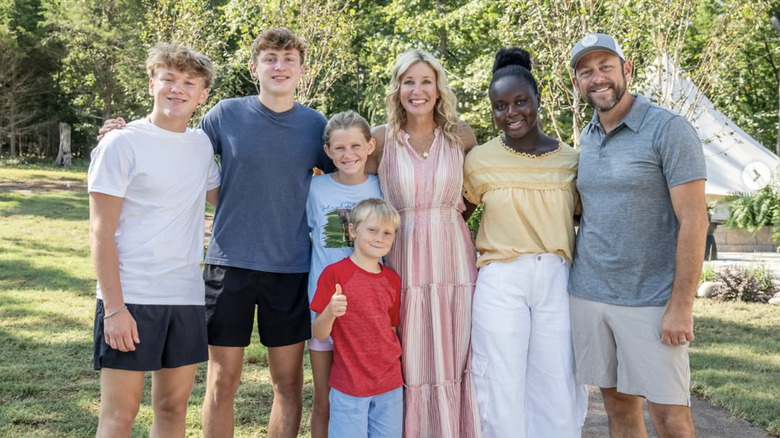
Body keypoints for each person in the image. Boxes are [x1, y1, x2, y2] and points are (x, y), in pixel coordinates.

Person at [98, 27, 334, 438]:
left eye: (288, 59)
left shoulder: (316, 126)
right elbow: (173, 137)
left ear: (301, 69)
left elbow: (345, 173)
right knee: (223, 381)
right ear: (254, 67)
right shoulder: (225, 114)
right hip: (228, 267)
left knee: (289, 384)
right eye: (270, 58)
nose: (279, 67)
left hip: (291, 266)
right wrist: (115, 136)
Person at [568, 33, 708, 438]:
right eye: (586, 71)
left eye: (606, 66)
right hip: (590, 295)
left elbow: (694, 221)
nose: (598, 78)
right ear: (577, 82)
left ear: (626, 70)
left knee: (671, 418)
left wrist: (681, 305)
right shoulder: (588, 138)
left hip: (651, 301)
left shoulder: (669, 130)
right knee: (616, 409)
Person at [88, 42, 220, 437]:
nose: (177, 89)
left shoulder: (201, 145)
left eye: (189, 82)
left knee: (173, 408)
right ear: (152, 84)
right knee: (120, 414)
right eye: (169, 79)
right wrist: (114, 308)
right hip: (132, 296)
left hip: (186, 295)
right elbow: (100, 231)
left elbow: (227, 198)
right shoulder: (121, 143)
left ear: (203, 94)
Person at [462, 47, 588, 438]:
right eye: (500, 106)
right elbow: (454, 218)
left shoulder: (571, 160)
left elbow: (585, 219)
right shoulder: (479, 160)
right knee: (499, 381)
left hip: (556, 278)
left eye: (520, 101)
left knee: (557, 380)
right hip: (500, 280)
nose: (511, 112)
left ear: (537, 100)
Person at [366, 49, 481, 438]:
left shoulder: (460, 135)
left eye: (425, 81)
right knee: (411, 356)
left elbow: (474, 195)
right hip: (403, 262)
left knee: (456, 353)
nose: (417, 90)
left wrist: (448, 221)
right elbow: (349, 189)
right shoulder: (380, 140)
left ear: (438, 88)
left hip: (454, 261)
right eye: (409, 81)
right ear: (397, 88)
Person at [305, 110, 382, 438]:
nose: (347, 154)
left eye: (355, 146)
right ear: (327, 151)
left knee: (369, 397)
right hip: (324, 307)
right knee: (324, 399)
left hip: (370, 309)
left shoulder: (383, 186)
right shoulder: (314, 189)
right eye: (339, 148)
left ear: (370, 146)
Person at [310, 198, 403, 438]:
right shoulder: (334, 274)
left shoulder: (393, 280)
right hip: (350, 385)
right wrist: (331, 311)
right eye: (372, 230)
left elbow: (391, 330)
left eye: (387, 233)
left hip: (389, 385)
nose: (379, 238)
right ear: (352, 230)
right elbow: (319, 333)